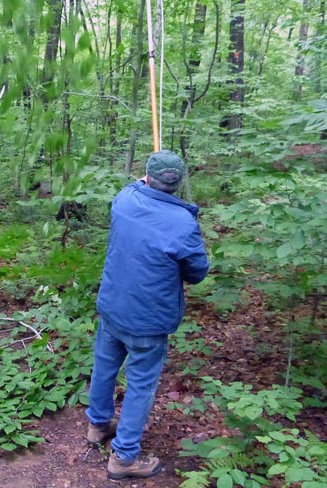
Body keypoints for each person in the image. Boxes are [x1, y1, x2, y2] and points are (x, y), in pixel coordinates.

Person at [86, 150, 209, 480]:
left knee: (105, 366)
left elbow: (134, 187)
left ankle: (98, 425)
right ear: (179, 182)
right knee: (140, 385)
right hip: (148, 319)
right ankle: (124, 457)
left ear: (146, 176)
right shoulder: (183, 222)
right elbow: (197, 272)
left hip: (114, 305)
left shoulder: (124, 200)